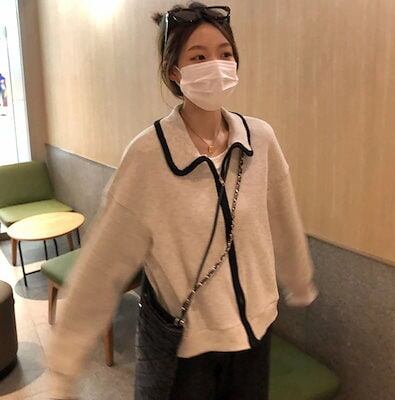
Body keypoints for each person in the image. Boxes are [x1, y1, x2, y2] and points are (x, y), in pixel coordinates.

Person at [47, 2, 319, 399]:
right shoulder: (148, 156)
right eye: (199, 57)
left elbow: (282, 217)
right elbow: (104, 262)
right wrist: (64, 362)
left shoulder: (260, 139)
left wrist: (298, 278)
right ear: (174, 71)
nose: (216, 66)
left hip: (255, 339)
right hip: (188, 352)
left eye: (225, 54)